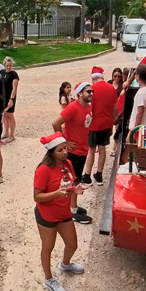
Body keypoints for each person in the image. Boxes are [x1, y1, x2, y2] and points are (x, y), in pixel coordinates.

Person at [33, 133, 85, 291]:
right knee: (48, 247)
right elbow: (37, 197)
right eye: (60, 150)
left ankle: (65, 264)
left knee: (72, 245)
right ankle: (48, 279)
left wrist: (74, 190)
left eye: (65, 148)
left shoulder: (68, 164)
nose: (65, 152)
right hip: (47, 215)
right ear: (51, 152)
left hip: (64, 213)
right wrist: (56, 194)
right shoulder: (43, 170)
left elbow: (68, 186)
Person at [52, 82, 93, 224]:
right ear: (80, 93)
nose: (91, 94)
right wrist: (64, 142)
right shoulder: (73, 107)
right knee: (73, 180)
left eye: (91, 91)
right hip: (74, 151)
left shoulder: (89, 106)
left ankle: (72, 207)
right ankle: (73, 211)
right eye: (88, 92)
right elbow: (56, 123)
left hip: (83, 149)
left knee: (76, 179)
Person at [82, 67, 117, 187]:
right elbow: (115, 108)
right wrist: (112, 123)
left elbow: (87, 107)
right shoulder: (111, 88)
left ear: (93, 78)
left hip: (94, 124)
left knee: (91, 150)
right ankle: (99, 174)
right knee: (102, 149)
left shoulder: (92, 90)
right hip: (107, 123)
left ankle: (87, 175)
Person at [129, 65, 146, 131]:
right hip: (145, 126)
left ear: (139, 76)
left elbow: (140, 112)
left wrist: (135, 128)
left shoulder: (142, 93)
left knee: (129, 140)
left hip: (139, 128)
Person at [0, 57, 20, 143]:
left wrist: (11, 99)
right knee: (4, 115)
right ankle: (6, 132)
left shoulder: (14, 74)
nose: (9, 67)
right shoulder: (2, 72)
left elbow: (14, 88)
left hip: (10, 97)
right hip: (3, 96)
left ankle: (12, 135)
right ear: (4, 65)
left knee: (10, 115)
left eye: (10, 65)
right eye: (7, 65)